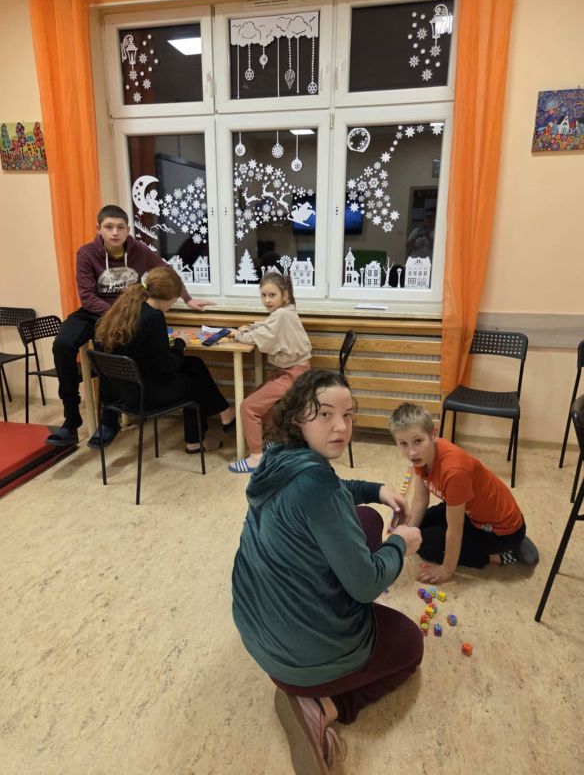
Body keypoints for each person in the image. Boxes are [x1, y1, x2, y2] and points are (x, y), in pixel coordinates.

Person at [232, 370, 423, 775]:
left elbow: (330, 491)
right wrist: (400, 544)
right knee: (409, 644)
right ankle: (323, 706)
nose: (341, 426)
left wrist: (375, 490)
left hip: (258, 631)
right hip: (303, 658)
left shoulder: (277, 456)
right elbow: (366, 586)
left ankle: (310, 687)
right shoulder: (315, 485)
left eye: (348, 415)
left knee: (367, 518)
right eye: (325, 414)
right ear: (298, 418)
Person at [46, 205, 214, 447]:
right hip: (96, 311)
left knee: (108, 349)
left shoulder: (139, 251)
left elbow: (166, 271)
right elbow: (87, 297)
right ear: (99, 229)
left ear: (128, 230)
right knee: (62, 344)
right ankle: (71, 420)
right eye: (109, 227)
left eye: (120, 227)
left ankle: (109, 421)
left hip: (127, 312)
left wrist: (187, 298)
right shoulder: (86, 253)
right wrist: (118, 314)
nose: (115, 232)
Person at [389, 402, 539, 585]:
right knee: (419, 528)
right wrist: (407, 536)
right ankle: (505, 544)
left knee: (425, 545)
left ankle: (502, 554)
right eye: (403, 443)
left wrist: (447, 569)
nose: (411, 452)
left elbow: (455, 529)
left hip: (501, 531)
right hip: (473, 513)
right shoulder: (422, 457)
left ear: (433, 434)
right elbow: (420, 500)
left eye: (418, 441)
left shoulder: (454, 471)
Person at [94, 266, 234, 453]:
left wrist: (170, 345)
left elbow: (148, 353)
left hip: (122, 393)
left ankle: (224, 412)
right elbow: (169, 365)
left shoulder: (128, 309)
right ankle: (195, 441)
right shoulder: (154, 316)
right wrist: (180, 343)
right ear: (169, 297)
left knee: (195, 364)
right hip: (144, 396)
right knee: (194, 382)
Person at [227, 272, 312, 474]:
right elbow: (267, 326)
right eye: (263, 295)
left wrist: (239, 334)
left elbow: (262, 337)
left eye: (272, 295)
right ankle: (271, 442)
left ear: (285, 295)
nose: (267, 300)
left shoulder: (282, 315)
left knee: (248, 407)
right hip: (294, 371)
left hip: (293, 374)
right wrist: (251, 327)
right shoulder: (286, 311)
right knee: (261, 405)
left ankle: (256, 458)